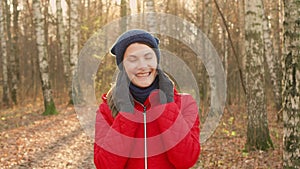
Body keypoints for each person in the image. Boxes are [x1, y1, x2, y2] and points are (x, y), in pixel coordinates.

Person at [94, 29, 200, 169]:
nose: (142, 66)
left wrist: (165, 104)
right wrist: (126, 112)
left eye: (148, 57)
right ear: (123, 66)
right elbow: (105, 165)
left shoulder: (185, 104)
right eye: (132, 59)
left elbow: (187, 160)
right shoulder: (106, 109)